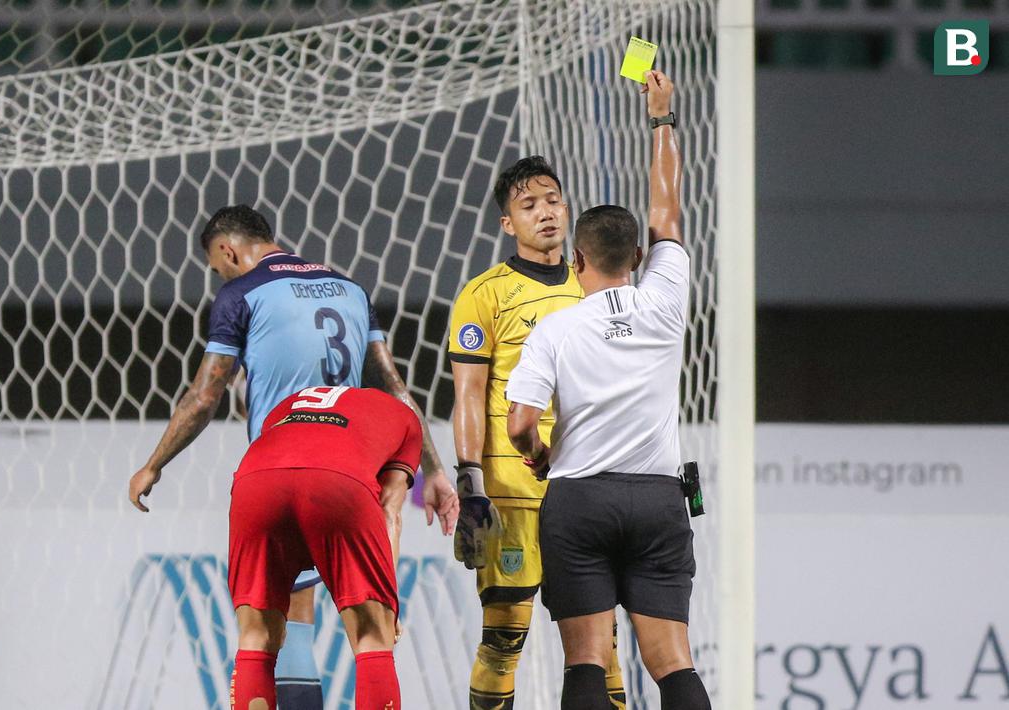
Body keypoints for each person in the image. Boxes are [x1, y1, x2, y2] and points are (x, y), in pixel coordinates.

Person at [127, 205, 459, 709]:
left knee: (280, 630)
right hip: (352, 471)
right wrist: (434, 469)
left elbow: (204, 394)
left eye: (219, 267)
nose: (223, 273)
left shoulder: (241, 293)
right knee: (371, 632)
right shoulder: (350, 290)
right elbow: (392, 386)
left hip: (277, 469)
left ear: (227, 250)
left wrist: (154, 463)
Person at [505, 70, 711, 710]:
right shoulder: (665, 300)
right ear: (640, 259)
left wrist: (538, 455)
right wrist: (661, 120)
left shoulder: (556, 327)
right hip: (657, 499)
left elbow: (519, 422)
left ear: (576, 262)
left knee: (587, 660)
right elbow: (667, 211)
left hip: (580, 500)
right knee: (671, 662)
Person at [448, 157, 625, 708]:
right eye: (528, 206)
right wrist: (470, 481)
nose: (545, 213)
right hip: (512, 489)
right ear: (508, 224)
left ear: (567, 208)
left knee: (603, 644)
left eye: (552, 200)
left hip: (585, 487)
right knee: (504, 638)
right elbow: (470, 394)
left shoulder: (598, 287)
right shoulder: (484, 294)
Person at [228, 385, 420, 710]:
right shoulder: (407, 419)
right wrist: (387, 601)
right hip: (337, 483)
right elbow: (389, 510)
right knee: (373, 635)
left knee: (256, 636)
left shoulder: (287, 402)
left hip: (255, 483)